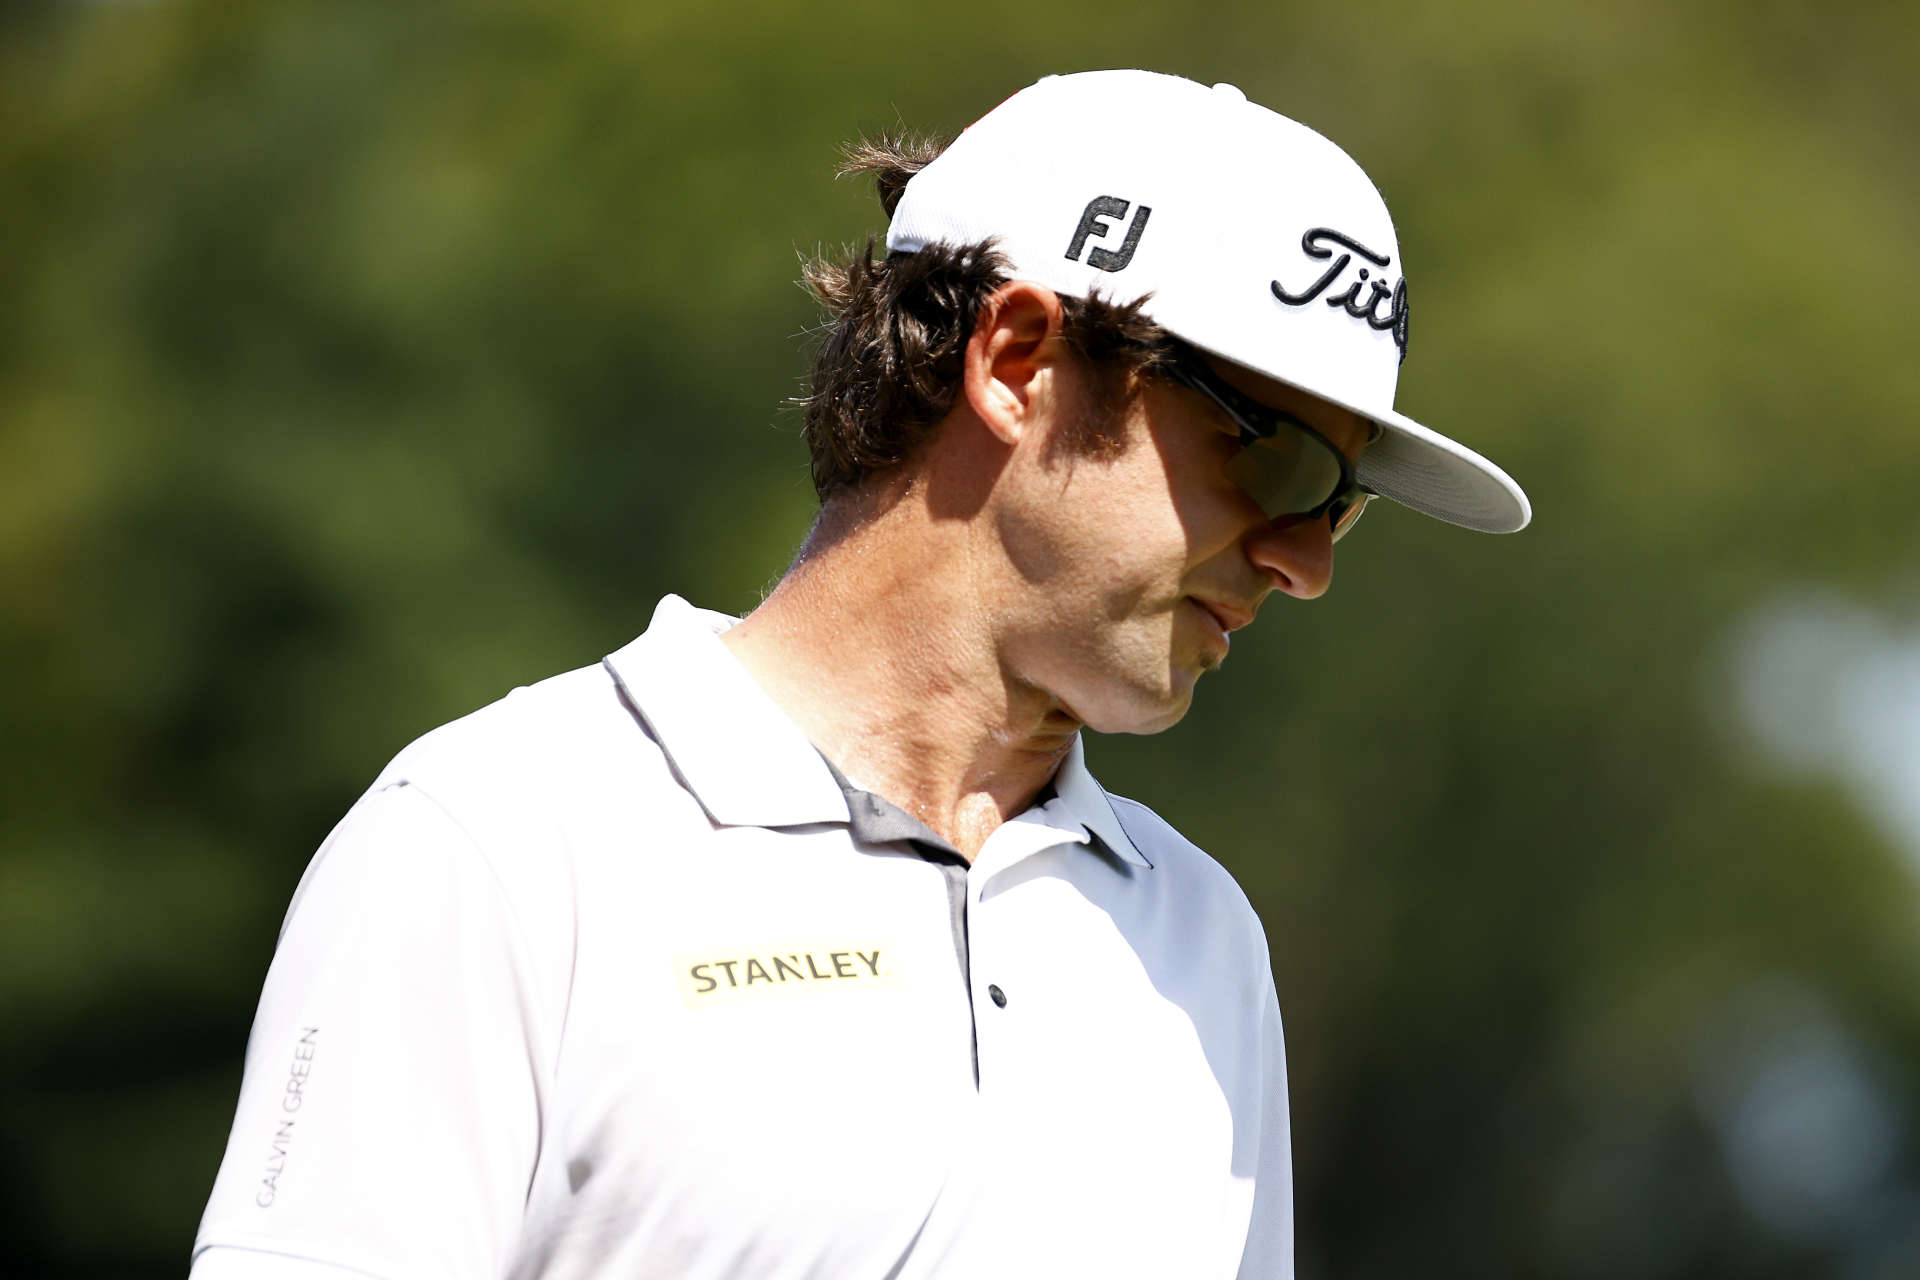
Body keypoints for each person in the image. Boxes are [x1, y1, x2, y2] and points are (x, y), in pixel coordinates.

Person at [191, 69, 1529, 1280]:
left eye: (1339, 502)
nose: (1308, 561)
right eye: (1279, 461)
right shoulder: (497, 843)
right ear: (1014, 361)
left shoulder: (1205, 943)